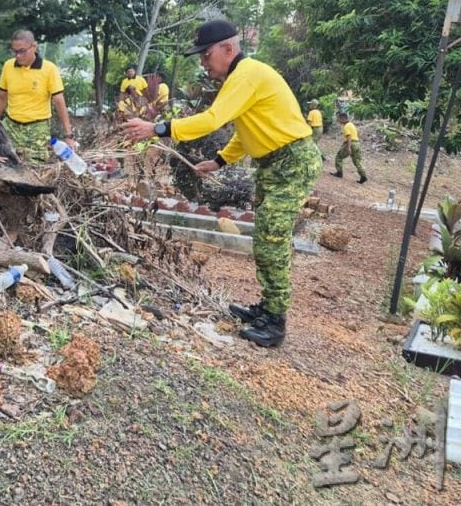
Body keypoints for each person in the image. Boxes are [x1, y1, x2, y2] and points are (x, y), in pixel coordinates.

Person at [121, 19, 320, 348]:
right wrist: (219, 160)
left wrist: (157, 129)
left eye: (206, 54)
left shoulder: (246, 75)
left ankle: (275, 321)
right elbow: (246, 129)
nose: (203, 62)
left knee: (271, 237)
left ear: (228, 48)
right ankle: (268, 308)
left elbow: (213, 120)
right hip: (274, 163)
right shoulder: (240, 79)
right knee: (268, 236)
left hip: (293, 162)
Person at [0, 30, 74, 162]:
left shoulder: (49, 69)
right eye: (14, 51)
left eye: (22, 51)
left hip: (37, 129)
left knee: (34, 167)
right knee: (5, 163)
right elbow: (1, 97)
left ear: (34, 47)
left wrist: (68, 135)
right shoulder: (8, 66)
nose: (18, 56)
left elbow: (59, 101)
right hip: (11, 126)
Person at [333, 111, 368, 183]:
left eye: (338, 119)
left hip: (351, 144)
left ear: (343, 119)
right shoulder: (351, 124)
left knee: (339, 157)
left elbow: (349, 137)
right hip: (356, 143)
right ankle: (363, 176)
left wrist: (348, 147)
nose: (338, 120)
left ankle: (339, 172)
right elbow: (356, 134)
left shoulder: (346, 126)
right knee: (357, 161)